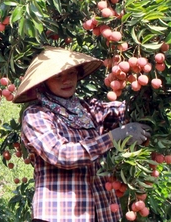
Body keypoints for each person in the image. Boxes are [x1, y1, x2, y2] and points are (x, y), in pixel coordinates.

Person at [13, 46, 151, 222]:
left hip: (102, 213)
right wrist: (113, 137)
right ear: (44, 82)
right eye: (58, 76)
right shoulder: (37, 115)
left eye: (71, 73)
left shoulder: (88, 109)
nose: (66, 80)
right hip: (58, 215)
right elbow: (61, 154)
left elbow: (125, 110)